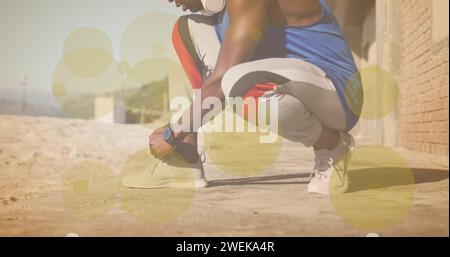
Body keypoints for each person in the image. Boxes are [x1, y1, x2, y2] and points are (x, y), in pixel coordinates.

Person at [123, 0, 363, 195]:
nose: (172, 1)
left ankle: (330, 145)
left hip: (337, 94)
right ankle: (184, 162)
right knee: (186, 31)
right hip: (294, 79)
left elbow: (220, 81)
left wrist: (172, 132)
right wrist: (180, 135)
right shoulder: (229, 12)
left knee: (237, 81)